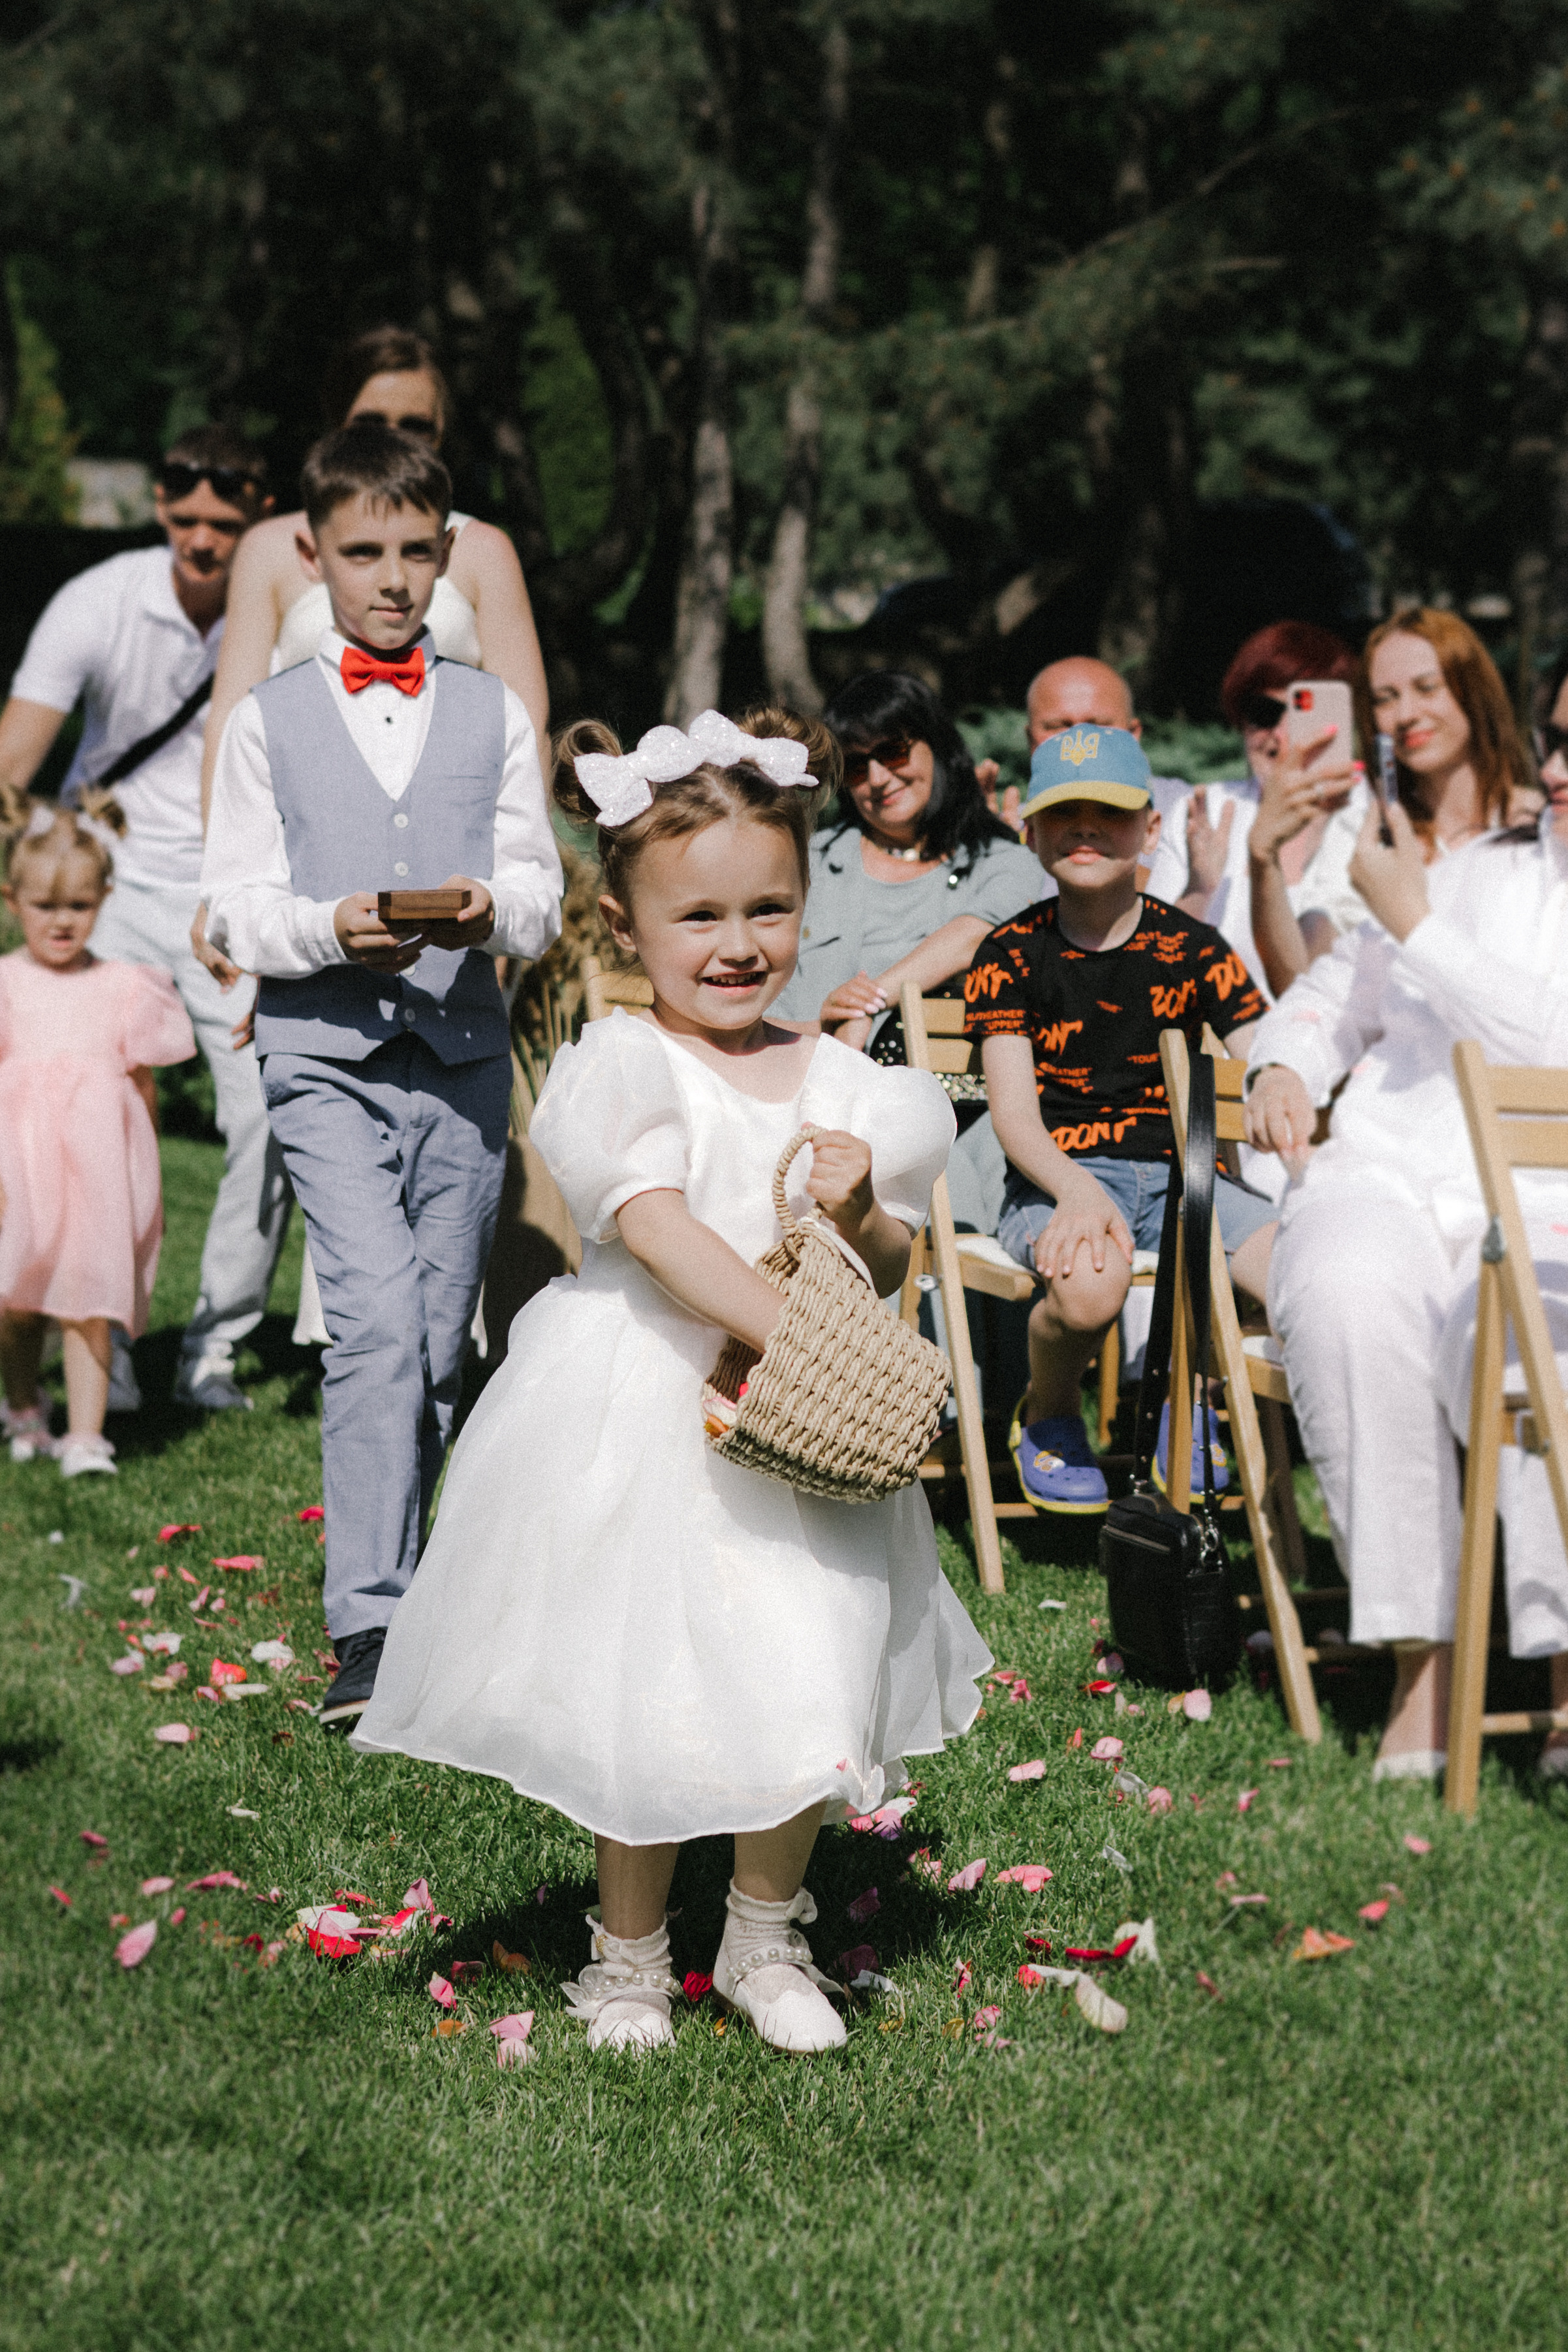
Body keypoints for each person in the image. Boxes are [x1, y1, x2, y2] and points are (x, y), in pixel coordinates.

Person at [352, 705, 990, 2057]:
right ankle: (628, 1953)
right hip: (646, 1399)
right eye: (697, 915)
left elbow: (875, 1261)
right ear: (626, 924)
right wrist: (783, 1325)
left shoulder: (832, 1075)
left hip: (793, 1435)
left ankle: (764, 1930)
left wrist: (862, 1200)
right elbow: (655, 1225)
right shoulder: (622, 1063)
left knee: (808, 1659)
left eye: (767, 907)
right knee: (637, 1680)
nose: (737, 943)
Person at [201, 418, 562, 1727]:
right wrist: (329, 926)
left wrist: (487, 908)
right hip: (323, 1055)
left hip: (460, 1054)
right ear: (314, 555)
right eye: (364, 553)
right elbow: (234, 905)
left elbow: (542, 887)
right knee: (366, 1323)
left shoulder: (493, 716)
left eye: (417, 552)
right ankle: (368, 1617)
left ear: (451, 551)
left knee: (429, 1334)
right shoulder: (268, 722)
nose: (394, 579)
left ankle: (421, 1577)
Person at [192, 324, 552, 1350]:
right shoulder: (277, 546)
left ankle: (433, 1341)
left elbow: (520, 703)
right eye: (372, 420)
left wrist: (497, 879)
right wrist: (222, 887)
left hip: (458, 874)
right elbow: (236, 713)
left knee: (446, 1111)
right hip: (312, 870)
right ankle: (351, 1337)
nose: (395, 433)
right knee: (317, 1082)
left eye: (416, 423)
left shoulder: (480, 548)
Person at [1246, 662, 1568, 1782]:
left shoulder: (1429, 892)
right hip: (1387, 1170)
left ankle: (1560, 1668)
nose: (1557, 771)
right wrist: (1281, 1066)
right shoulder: (1476, 867)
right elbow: (1336, 996)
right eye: (1556, 739)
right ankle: (1421, 1661)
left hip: (1543, 1206)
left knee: (1529, 1324)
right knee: (1342, 1288)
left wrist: (1418, 920)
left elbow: (1547, 1044)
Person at [0, 424, 284, 1412]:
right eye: (186, 517)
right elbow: (13, 759)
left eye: (224, 518)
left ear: (259, 510)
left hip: (229, 893)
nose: (202, 538)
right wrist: (48, 862)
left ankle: (213, 1341)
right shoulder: (100, 600)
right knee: (96, 1127)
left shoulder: (287, 608)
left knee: (266, 1115)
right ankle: (103, 1341)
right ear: (162, 507)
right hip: (105, 893)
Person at [965, 724, 1272, 1515]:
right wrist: (1073, 1192)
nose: (1086, 830)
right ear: (1028, 831)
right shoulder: (1007, 955)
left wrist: (1275, 1080)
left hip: (1186, 1180)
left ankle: (1188, 1397)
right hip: (1059, 1174)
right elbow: (1011, 1112)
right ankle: (1050, 1410)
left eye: (1109, 810)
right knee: (1090, 1291)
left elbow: (1262, 1051)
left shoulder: (1194, 950)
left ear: (1151, 829)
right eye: (1063, 814)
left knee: (1289, 1273)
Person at [772, 671, 1039, 1232]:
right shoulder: (807, 864)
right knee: (944, 1201)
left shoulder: (1001, 861)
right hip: (830, 1111)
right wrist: (825, 1026)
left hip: (980, 1107)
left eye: (893, 750)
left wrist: (868, 1003)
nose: (877, 777)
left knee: (1028, 1203)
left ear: (936, 745)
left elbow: (976, 935)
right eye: (857, 762)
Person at [0, 803, 196, 1476]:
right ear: (12, 900)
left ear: (105, 899)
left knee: (88, 1300)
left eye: (80, 905)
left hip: (94, 1176)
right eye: (46, 905)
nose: (62, 921)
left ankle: (86, 1434)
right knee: (19, 1304)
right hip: (19, 1172)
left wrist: (144, 1180)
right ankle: (24, 1406)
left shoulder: (123, 987)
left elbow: (140, 1090)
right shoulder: (5, 983)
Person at [1248, 608, 1537, 999]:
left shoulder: (1541, 824)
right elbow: (1301, 987)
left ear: (1474, 691)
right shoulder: (1365, 830)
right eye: (1386, 699)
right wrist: (1263, 858)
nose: (1406, 715)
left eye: (1427, 687)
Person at [1146, 621, 1361, 998]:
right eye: (1263, 711)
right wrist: (1199, 891)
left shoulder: (1372, 817)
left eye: (1302, 712)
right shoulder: (1202, 811)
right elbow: (1149, 973)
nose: (1281, 734)